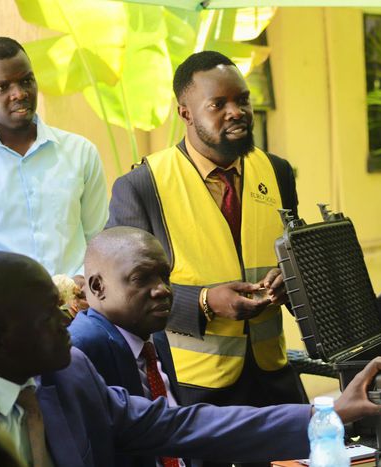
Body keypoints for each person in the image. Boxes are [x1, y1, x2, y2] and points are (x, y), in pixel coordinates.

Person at [0, 250, 381, 467]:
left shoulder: (70, 373)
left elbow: (177, 424)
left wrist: (328, 413)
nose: (69, 318)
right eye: (50, 315)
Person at [106, 50, 305, 459]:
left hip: (272, 374)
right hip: (193, 387)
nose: (236, 112)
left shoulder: (278, 171)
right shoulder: (142, 186)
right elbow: (123, 292)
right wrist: (204, 301)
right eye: (218, 104)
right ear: (185, 113)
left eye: (242, 100)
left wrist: (291, 279)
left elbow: (296, 254)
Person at [0, 37, 108, 282]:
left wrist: (84, 282)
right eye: (3, 87)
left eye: (26, 81)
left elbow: (99, 237)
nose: (19, 93)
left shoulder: (80, 152)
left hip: (75, 301)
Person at [68, 227, 184, 467]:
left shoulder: (154, 335)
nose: (162, 289)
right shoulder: (80, 349)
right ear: (97, 286)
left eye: (165, 276)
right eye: (141, 278)